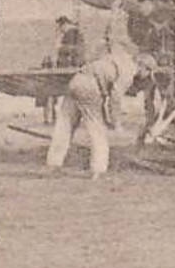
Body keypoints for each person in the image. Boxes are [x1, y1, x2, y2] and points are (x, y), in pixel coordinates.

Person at [44, 49, 155, 177]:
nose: (147, 76)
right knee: (97, 130)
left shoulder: (120, 57)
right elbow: (116, 97)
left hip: (76, 81)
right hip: (90, 86)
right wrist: (117, 123)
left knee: (64, 126)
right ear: (142, 67)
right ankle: (98, 169)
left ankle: (53, 164)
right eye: (148, 71)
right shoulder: (129, 71)